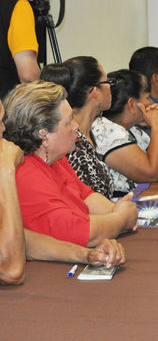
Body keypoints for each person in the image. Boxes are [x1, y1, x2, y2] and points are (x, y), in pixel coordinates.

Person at [0, 101, 126, 285]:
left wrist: (86, 254)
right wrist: (7, 171)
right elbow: (11, 271)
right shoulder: (14, 169)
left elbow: (25, 240)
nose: (4, 129)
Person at [3, 81, 138, 248]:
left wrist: (117, 210)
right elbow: (81, 233)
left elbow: (86, 196)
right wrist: (121, 218)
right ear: (44, 136)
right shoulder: (25, 174)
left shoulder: (55, 158)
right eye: (68, 122)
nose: (76, 126)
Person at [92, 69, 158, 198]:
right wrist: (157, 126)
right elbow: (151, 174)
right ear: (132, 105)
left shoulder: (133, 129)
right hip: (120, 205)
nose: (152, 103)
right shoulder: (106, 131)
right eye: (147, 98)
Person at [40, 57, 115, 197]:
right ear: (95, 92)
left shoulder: (86, 134)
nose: (111, 87)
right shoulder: (71, 143)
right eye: (107, 82)